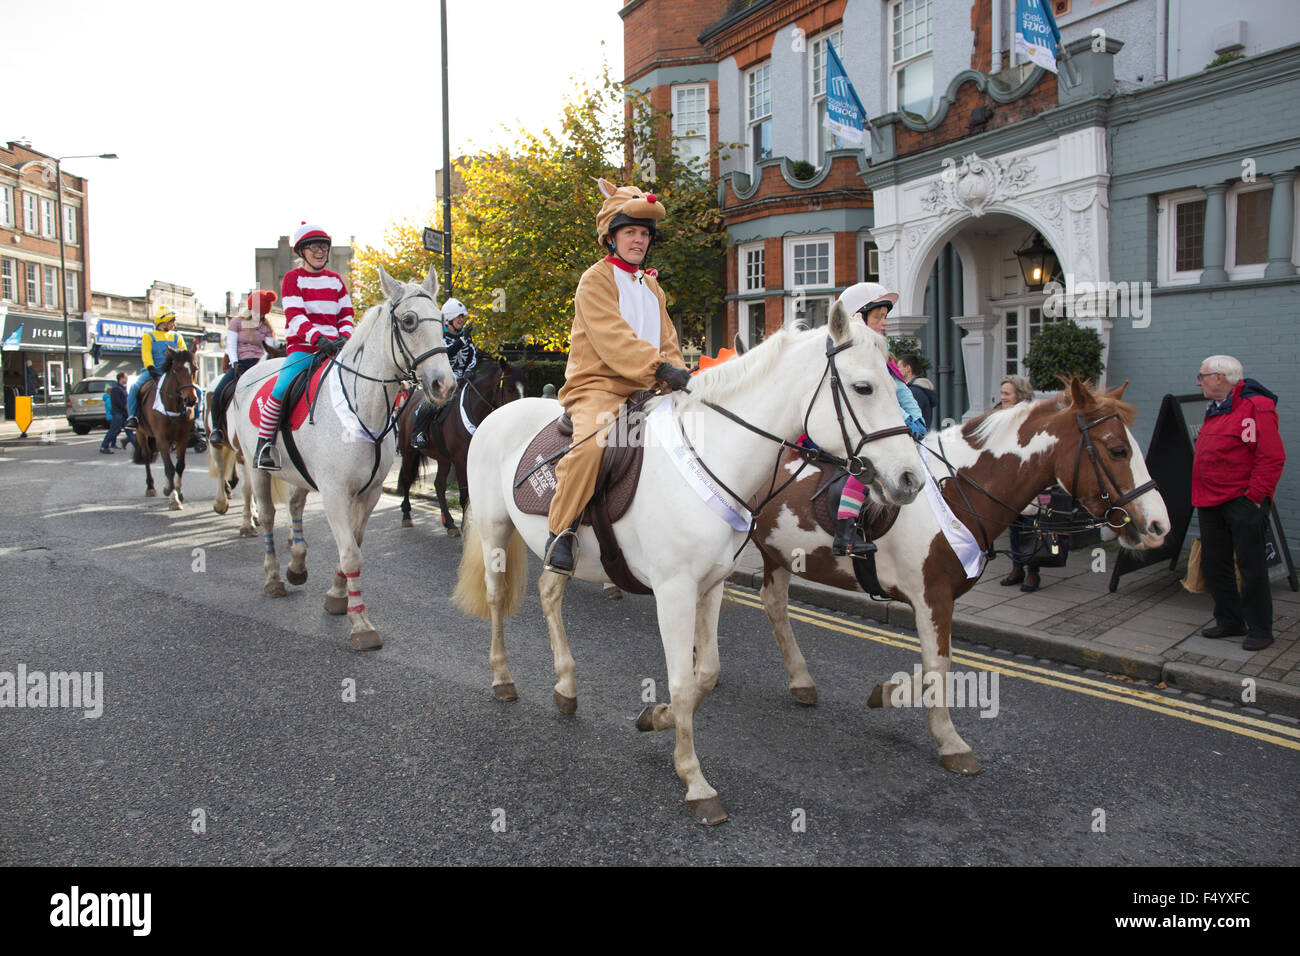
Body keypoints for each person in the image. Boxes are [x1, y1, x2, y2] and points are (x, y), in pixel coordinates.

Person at [543, 179, 689, 575]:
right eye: (630, 232)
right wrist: (659, 368)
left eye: (644, 234)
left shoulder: (652, 286)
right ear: (612, 237)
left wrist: (679, 375)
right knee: (593, 443)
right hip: (598, 386)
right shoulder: (595, 280)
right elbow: (614, 340)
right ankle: (562, 530)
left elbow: (667, 340)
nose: (638, 240)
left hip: (646, 386)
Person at [1192, 354, 1285, 652]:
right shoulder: (1216, 408)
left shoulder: (1256, 407)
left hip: (1242, 502)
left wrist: (1254, 498)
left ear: (1219, 377)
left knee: (1251, 566)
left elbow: (1271, 457)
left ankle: (1260, 628)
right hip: (1209, 500)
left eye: (1202, 375)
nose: (1198, 381)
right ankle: (1230, 619)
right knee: (1215, 563)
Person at [827, 282, 927, 558]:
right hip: (862, 434)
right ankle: (845, 533)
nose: (885, 323)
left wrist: (913, 418)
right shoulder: (857, 360)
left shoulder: (883, 356)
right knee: (863, 470)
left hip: (889, 428)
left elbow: (900, 393)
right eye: (878, 317)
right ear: (858, 318)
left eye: (886, 316)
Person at [254, 223, 354, 471]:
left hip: (338, 349)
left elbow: (347, 314)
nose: (320, 251)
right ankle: (264, 445)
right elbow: (295, 315)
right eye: (313, 247)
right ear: (301, 251)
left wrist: (344, 336)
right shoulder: (292, 279)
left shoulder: (336, 281)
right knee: (281, 388)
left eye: (323, 247)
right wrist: (318, 338)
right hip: (305, 349)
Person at [994, 375, 1049, 591]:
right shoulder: (1000, 415)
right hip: (1007, 481)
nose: (1002, 397)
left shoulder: (1031, 418)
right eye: (1002, 393)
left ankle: (1033, 573)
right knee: (1014, 528)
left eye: (1007, 393)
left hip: (1028, 480)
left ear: (1020, 395)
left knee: (1031, 528)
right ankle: (1017, 568)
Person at [208, 290, 278, 446]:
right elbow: (231, 345)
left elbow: (271, 346)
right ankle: (217, 428)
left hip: (260, 363)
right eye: (257, 312)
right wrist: (234, 362)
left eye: (262, 313)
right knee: (218, 392)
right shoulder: (237, 322)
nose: (258, 316)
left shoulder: (265, 326)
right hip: (240, 363)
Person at [410, 297, 479, 451]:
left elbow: (473, 355)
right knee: (433, 400)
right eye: (458, 316)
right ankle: (418, 433)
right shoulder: (441, 336)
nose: (461, 320)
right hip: (445, 378)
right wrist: (462, 340)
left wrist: (469, 370)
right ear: (449, 318)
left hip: (465, 379)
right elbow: (446, 354)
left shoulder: (465, 337)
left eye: (463, 317)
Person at [124, 307, 186, 429]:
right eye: (172, 321)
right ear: (163, 322)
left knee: (195, 390)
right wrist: (150, 367)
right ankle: (133, 417)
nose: (174, 324)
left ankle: (192, 420)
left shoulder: (177, 336)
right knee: (134, 387)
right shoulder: (149, 336)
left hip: (172, 373)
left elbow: (183, 353)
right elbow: (146, 353)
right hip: (153, 372)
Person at [897, 352, 938, 430]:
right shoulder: (919, 389)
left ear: (908, 369)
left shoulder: (913, 391)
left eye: (898, 367)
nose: (896, 370)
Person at [99, 372, 128, 454]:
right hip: (118, 413)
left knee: (117, 430)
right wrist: (125, 408)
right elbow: (117, 402)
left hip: (122, 413)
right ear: (121, 378)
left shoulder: (122, 388)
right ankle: (104, 446)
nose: (127, 379)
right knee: (113, 430)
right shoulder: (116, 389)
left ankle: (108, 445)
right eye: (126, 377)